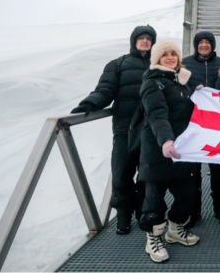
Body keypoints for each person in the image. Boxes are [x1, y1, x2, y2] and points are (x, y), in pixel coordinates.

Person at [70, 25, 156, 235]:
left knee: (148, 174)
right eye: (141, 38)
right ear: (133, 41)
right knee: (121, 175)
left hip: (151, 131)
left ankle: (143, 213)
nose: (145, 41)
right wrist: (90, 103)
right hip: (124, 129)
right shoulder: (118, 64)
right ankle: (124, 215)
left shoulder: (159, 64)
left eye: (149, 38)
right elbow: (105, 90)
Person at [137, 39, 200, 263]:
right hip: (158, 149)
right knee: (154, 199)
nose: (171, 57)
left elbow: (186, 112)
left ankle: (175, 230)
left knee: (188, 195)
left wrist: (198, 96)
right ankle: (153, 239)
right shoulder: (152, 83)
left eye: (174, 53)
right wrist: (165, 140)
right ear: (157, 59)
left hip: (182, 150)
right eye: (165, 54)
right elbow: (157, 114)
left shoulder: (182, 82)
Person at [181, 31, 220, 225]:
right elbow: (179, 87)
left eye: (208, 42)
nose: (204, 45)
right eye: (201, 42)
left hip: (217, 125)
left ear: (213, 44)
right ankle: (193, 211)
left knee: (219, 170)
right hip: (193, 124)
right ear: (196, 44)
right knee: (193, 171)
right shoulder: (184, 64)